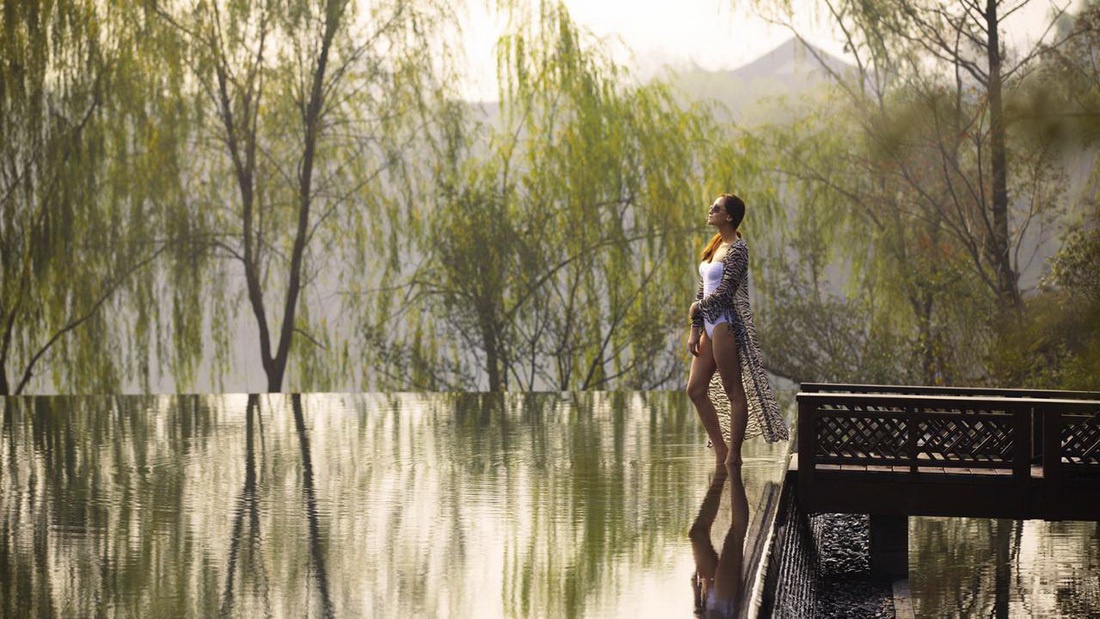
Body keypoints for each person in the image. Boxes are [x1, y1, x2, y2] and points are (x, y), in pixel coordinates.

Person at [687, 194, 788, 466]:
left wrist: (697, 307)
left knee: (734, 391)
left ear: (729, 216)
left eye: (716, 208)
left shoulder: (738, 249)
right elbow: (703, 288)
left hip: (726, 324)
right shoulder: (716, 245)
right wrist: (695, 327)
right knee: (695, 389)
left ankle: (734, 455)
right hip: (708, 325)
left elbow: (726, 291)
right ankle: (721, 450)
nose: (710, 210)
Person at [689, 464, 748, 618]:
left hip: (709, 604)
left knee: (697, 534)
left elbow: (699, 613)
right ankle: (733, 468)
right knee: (735, 534)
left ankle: (722, 471)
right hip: (724, 605)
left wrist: (697, 599)